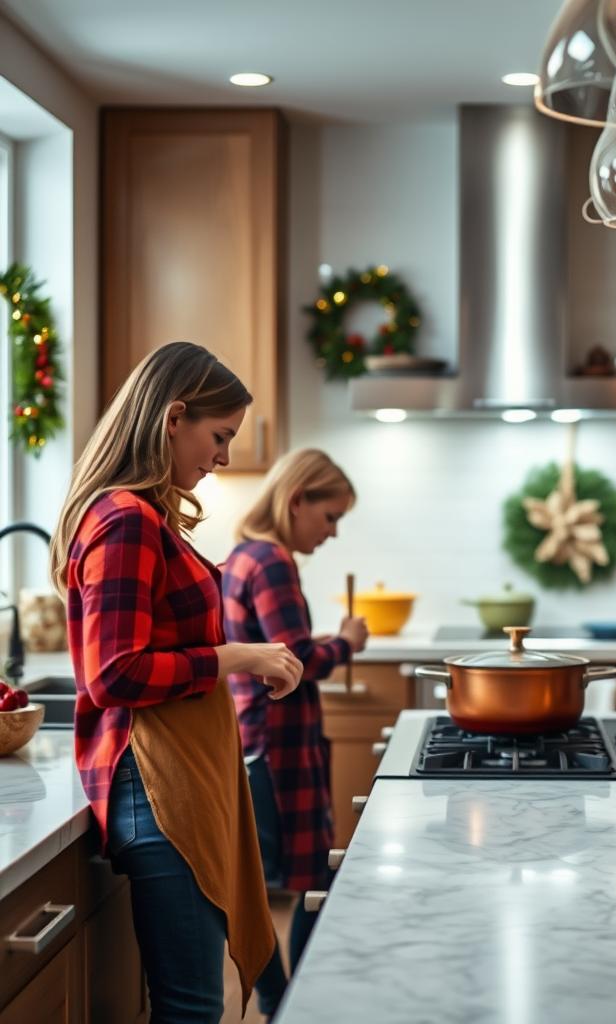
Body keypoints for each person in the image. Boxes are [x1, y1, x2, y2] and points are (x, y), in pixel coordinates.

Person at [50, 341, 303, 1022]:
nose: (222, 457)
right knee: (191, 1007)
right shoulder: (126, 519)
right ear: (173, 416)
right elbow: (115, 672)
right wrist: (239, 657)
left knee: (189, 1002)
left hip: (174, 780)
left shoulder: (141, 514)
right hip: (156, 786)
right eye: (219, 436)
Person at [221, 448, 369, 1016]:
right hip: (280, 749)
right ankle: (294, 1002)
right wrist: (347, 643)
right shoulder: (272, 562)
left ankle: (283, 999)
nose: (332, 534)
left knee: (259, 892)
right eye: (330, 517)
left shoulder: (241, 557)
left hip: (258, 743)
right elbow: (296, 658)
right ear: (296, 500)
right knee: (311, 881)